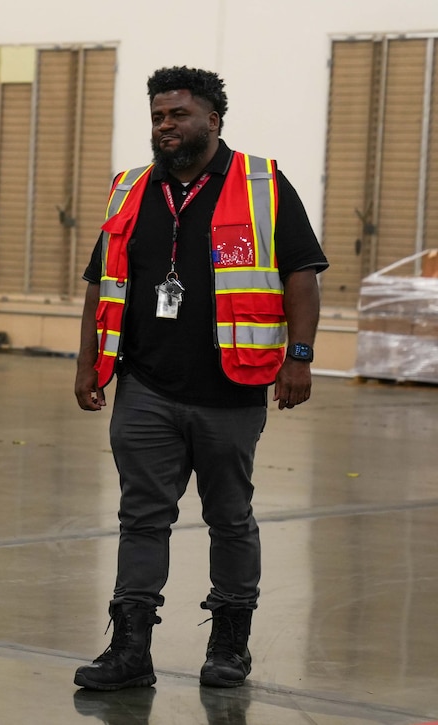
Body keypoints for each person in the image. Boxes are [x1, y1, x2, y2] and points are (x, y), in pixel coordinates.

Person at [72, 66, 328, 692]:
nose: (166, 126)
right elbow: (101, 282)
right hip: (145, 386)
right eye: (158, 115)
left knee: (230, 518)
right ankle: (130, 649)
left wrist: (299, 356)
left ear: (213, 119)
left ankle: (229, 646)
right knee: (141, 519)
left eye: (179, 114)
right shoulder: (130, 187)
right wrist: (86, 362)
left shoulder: (263, 182)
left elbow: (302, 272)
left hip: (231, 389)